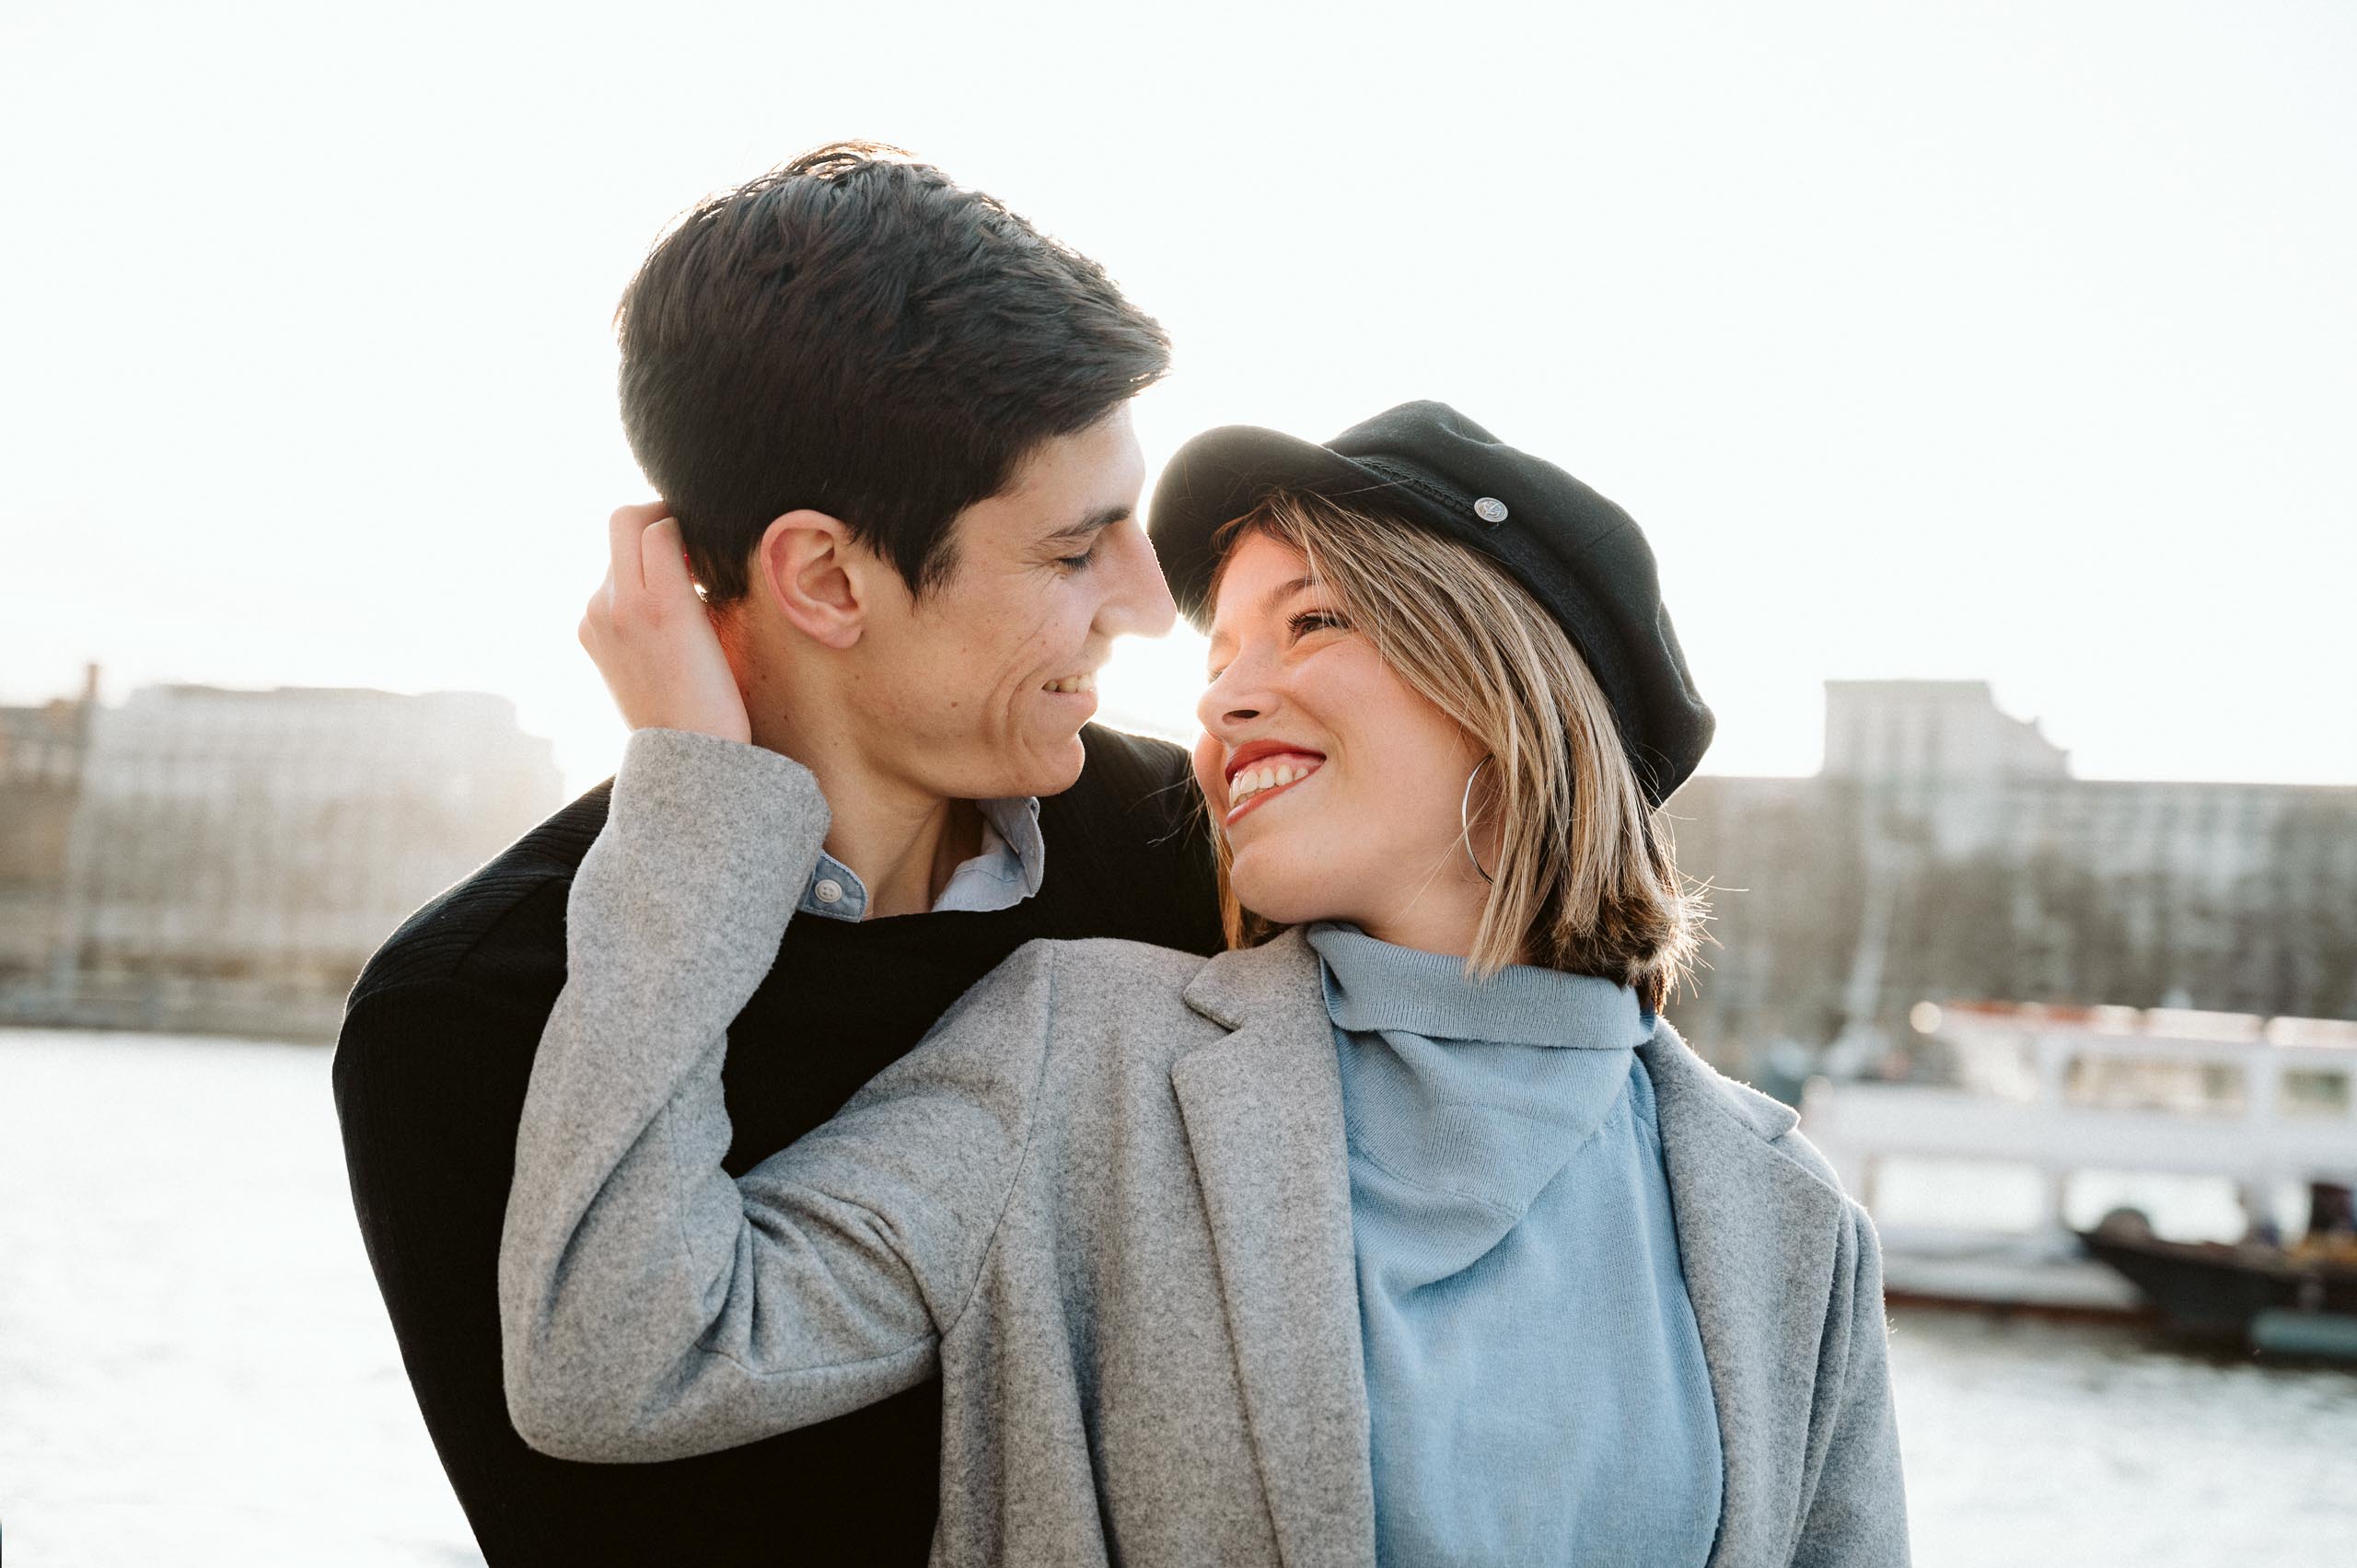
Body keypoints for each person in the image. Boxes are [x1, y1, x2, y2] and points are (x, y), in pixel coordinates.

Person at [498, 402, 1911, 1567]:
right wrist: (697, 795)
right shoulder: (1081, 1058)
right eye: (1220, 655)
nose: (1223, 701)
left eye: (1311, 625)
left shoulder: (1786, 1228)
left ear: (1510, 687)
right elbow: (619, 1352)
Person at [331, 144, 1224, 1567]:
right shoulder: (469, 1013)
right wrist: (703, 832)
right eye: (1074, 553)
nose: (1149, 606)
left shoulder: (1198, 856)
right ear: (823, 576)